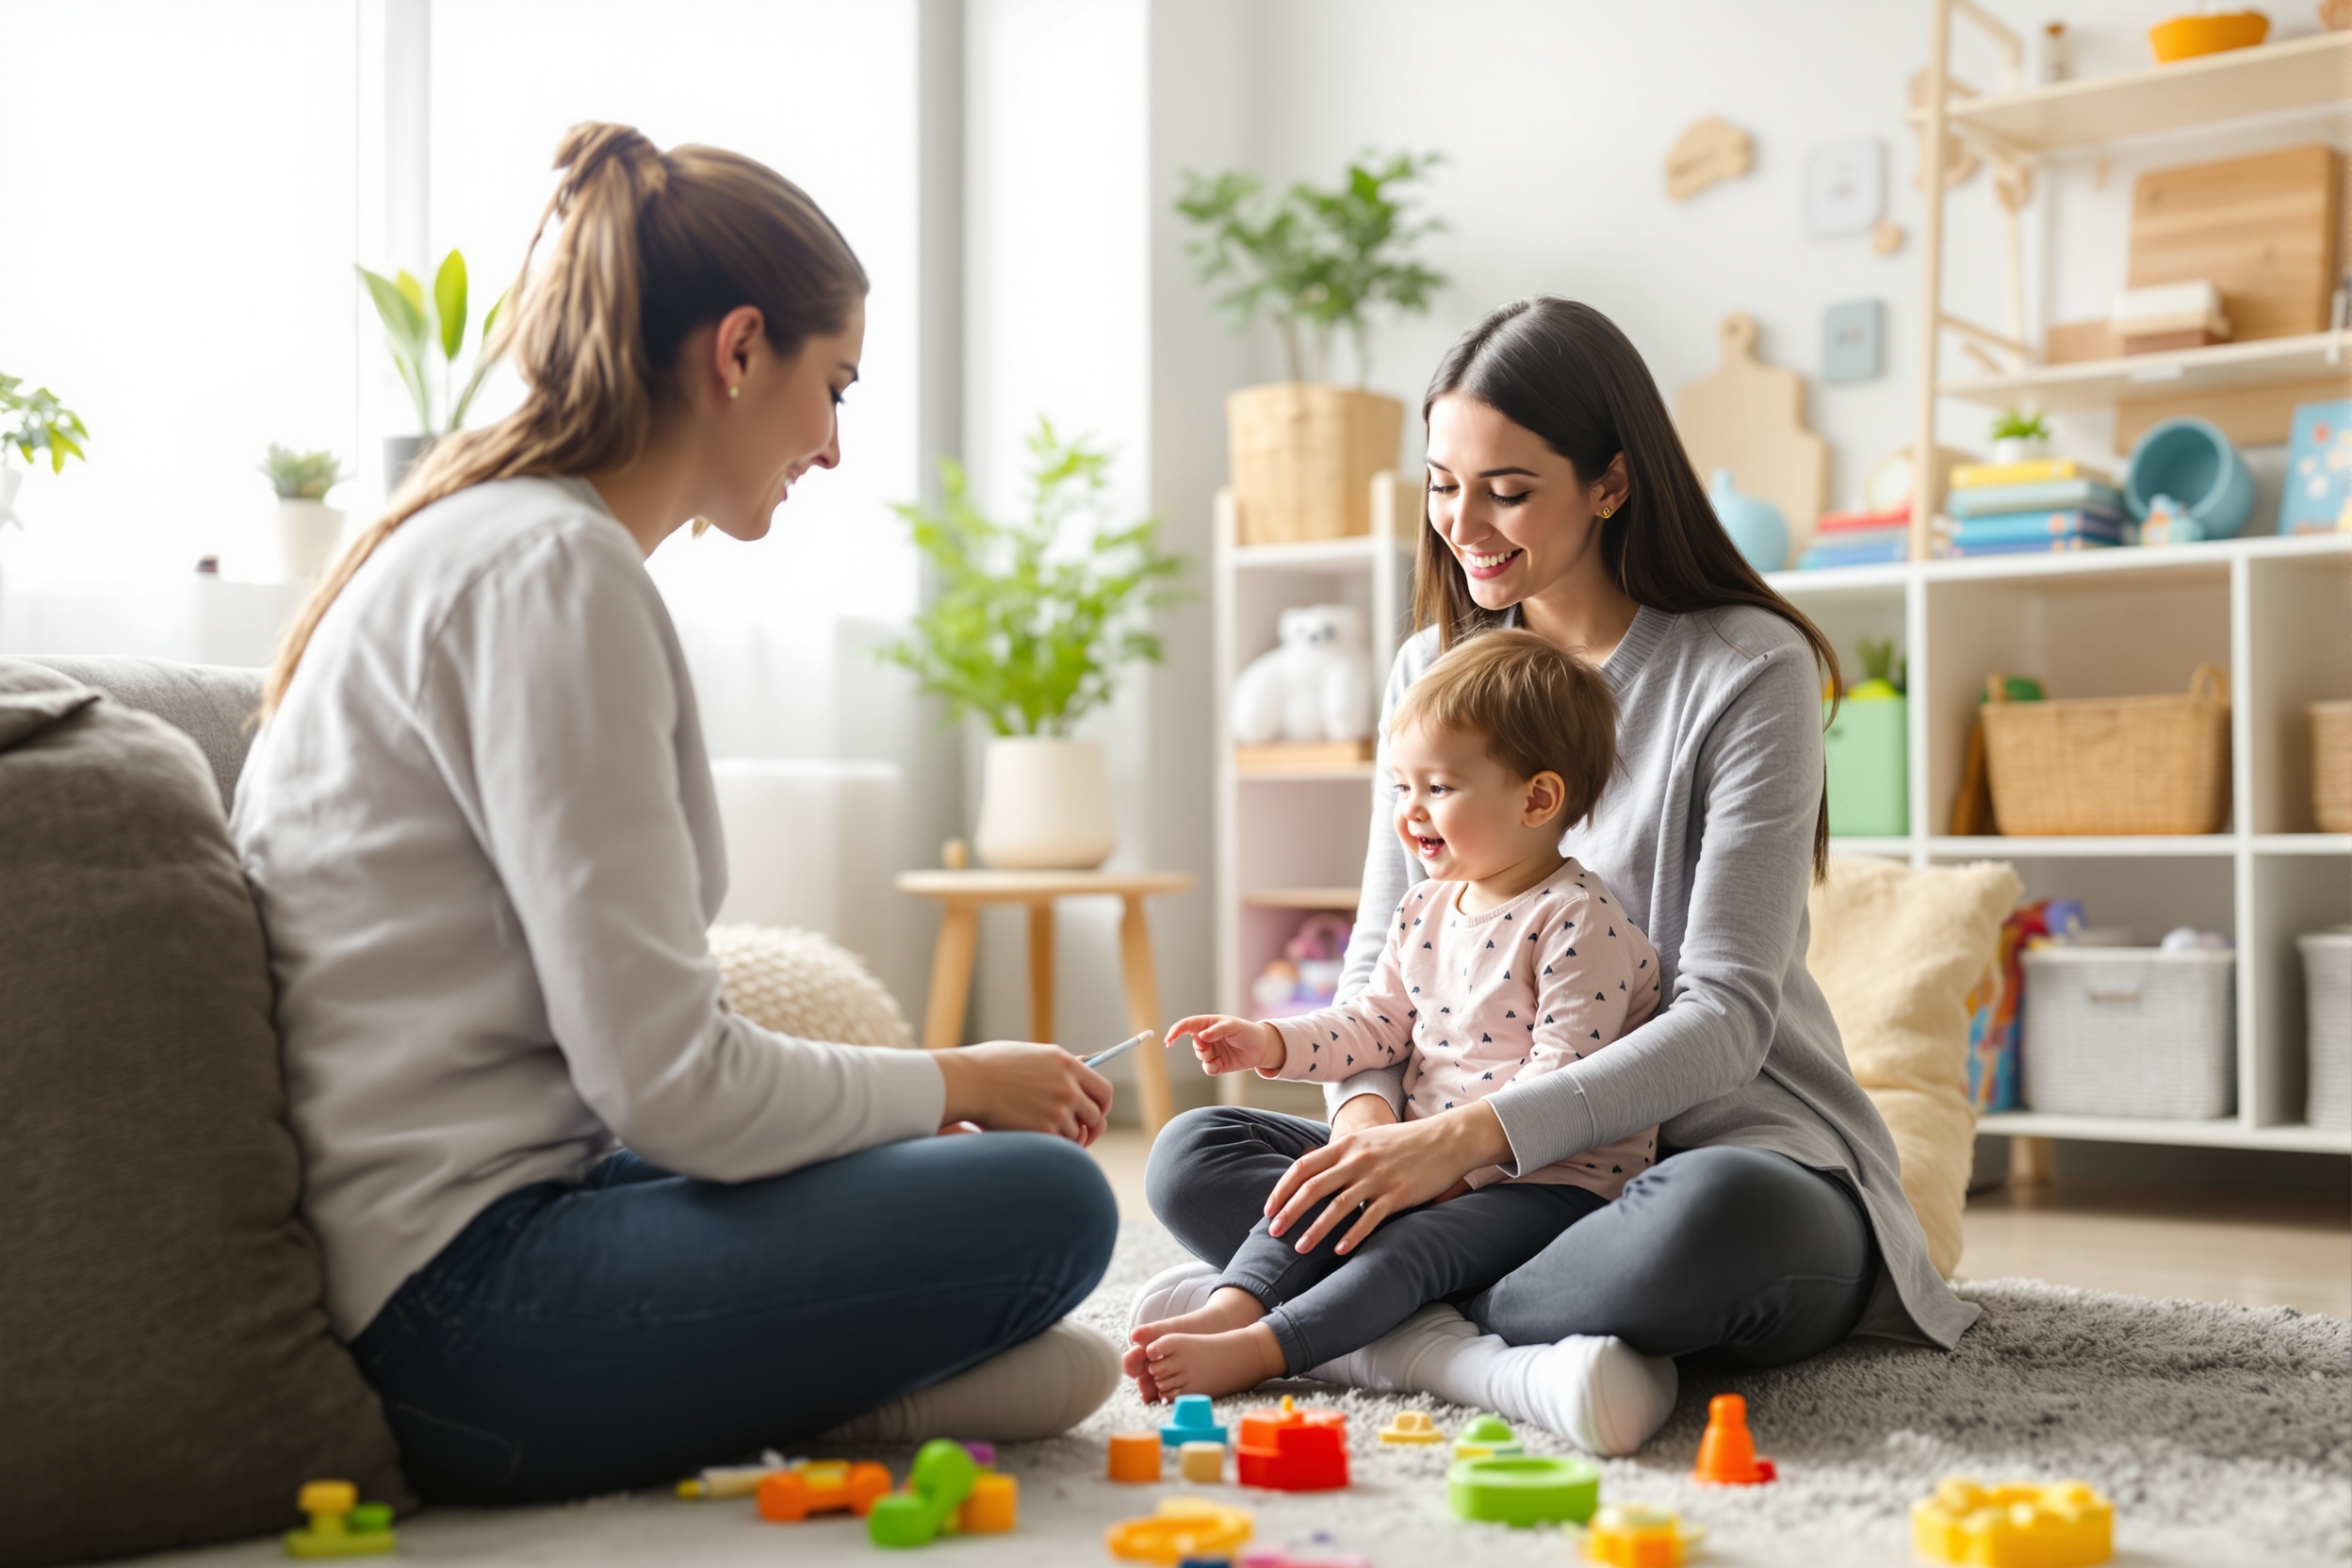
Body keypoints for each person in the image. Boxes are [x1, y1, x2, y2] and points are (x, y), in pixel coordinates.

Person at [232, 123, 1119, 1506]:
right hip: (465, 1318)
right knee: (1051, 1199)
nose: (831, 445)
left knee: (932, 1187)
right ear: (740, 349)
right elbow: (676, 1090)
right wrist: (957, 1077)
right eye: (835, 387)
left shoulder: (486, 537)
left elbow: (631, 1083)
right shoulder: (552, 573)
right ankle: (857, 1386)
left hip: (505, 1218)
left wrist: (890, 1122)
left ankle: (851, 1384)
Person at [1135, 297, 1976, 1458]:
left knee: (1703, 1223)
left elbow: (1727, 1016)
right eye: (1441, 484)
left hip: (1713, 1154)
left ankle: (1389, 1318)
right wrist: (1375, 1138)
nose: (1464, 524)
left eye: (1509, 488)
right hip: (1470, 1179)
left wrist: (1468, 1140)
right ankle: (1471, 1338)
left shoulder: (1745, 668)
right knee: (1195, 1152)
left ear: (1611, 484)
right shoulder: (1432, 665)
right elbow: (1386, 964)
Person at [1135, 630, 1663, 1399]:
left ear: (1538, 798)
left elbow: (1562, 1084)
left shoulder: (1581, 923)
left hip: (1542, 1186)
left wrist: (1447, 1169)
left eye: (1439, 788)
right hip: (1416, 1158)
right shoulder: (1423, 905)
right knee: (1204, 1145)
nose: (1410, 812)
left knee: (1403, 1236)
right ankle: (1236, 1302)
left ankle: (1269, 1346)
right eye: (1399, 788)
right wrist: (1270, 1041)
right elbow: (1372, 1028)